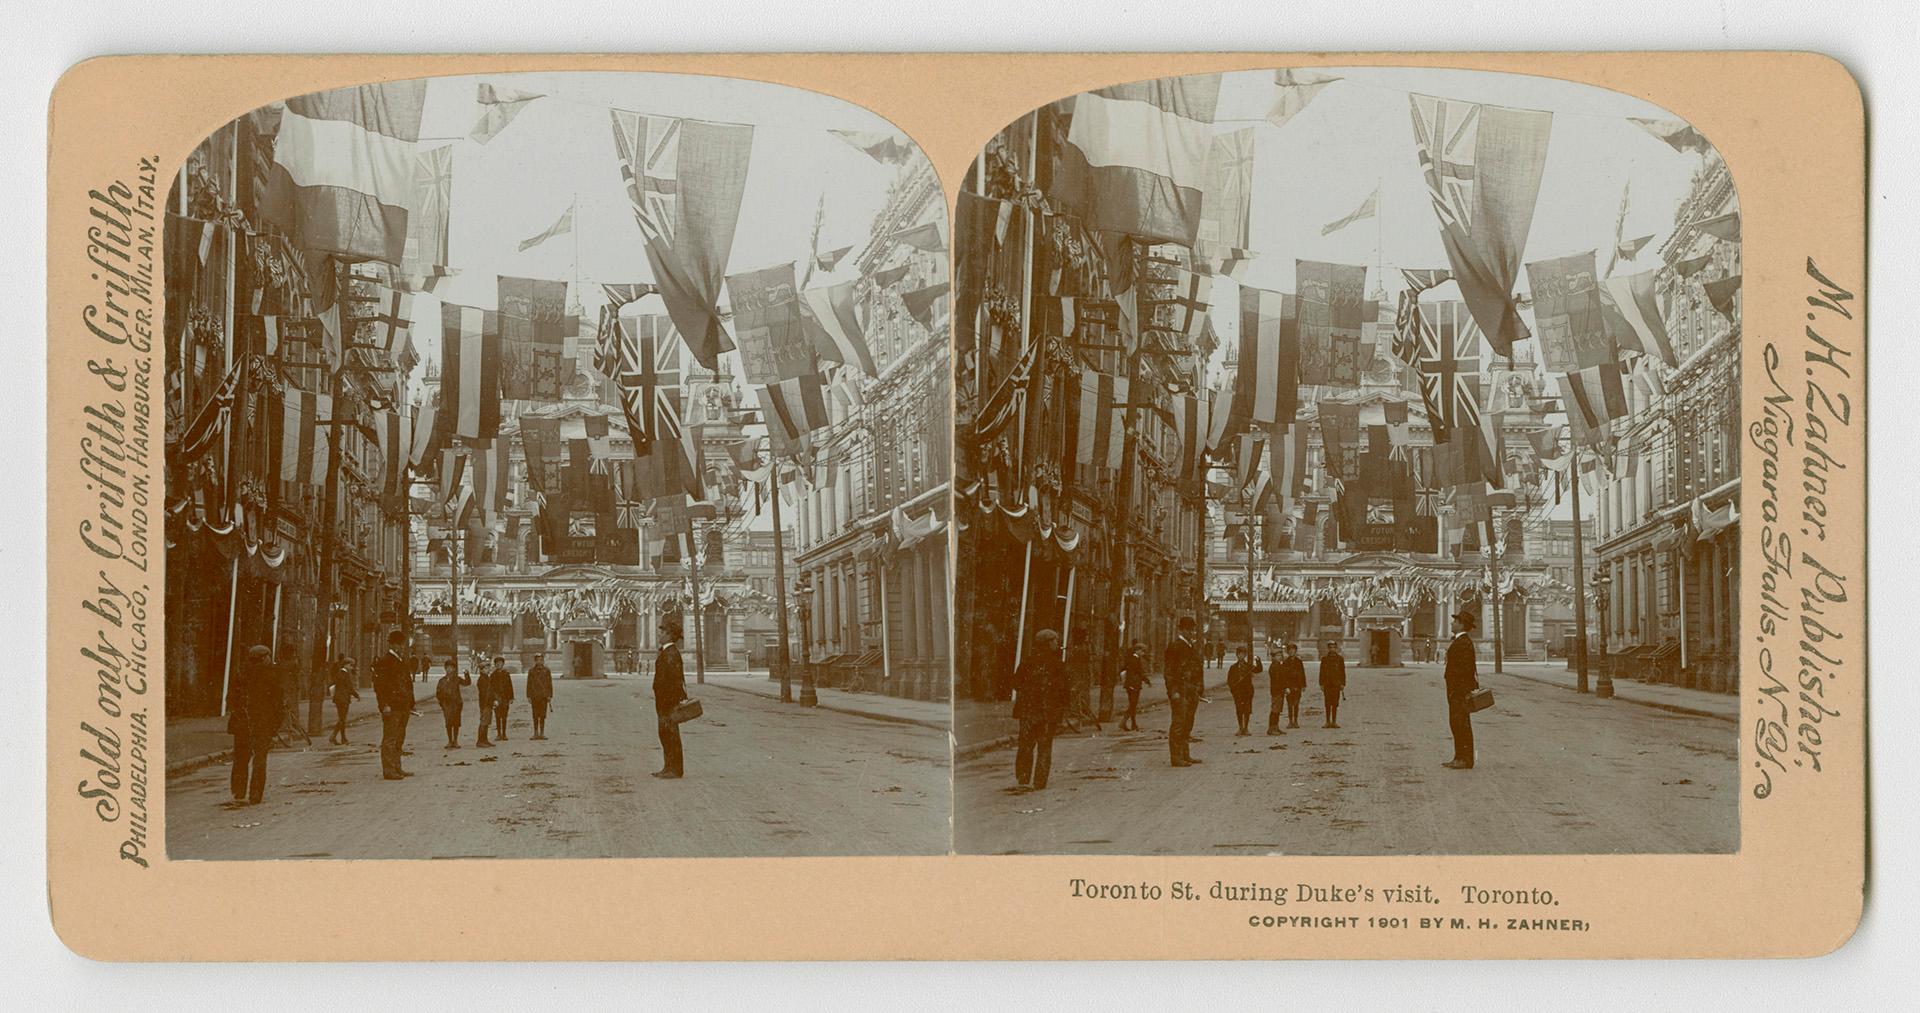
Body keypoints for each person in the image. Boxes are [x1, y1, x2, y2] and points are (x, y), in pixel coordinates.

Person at [225, 645, 284, 805]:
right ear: (264, 657)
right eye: (269, 656)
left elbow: (231, 699)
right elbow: (278, 702)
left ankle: (238, 791)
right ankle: (255, 794)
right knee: (260, 758)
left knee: (241, 757)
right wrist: (276, 725)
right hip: (262, 723)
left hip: (242, 723)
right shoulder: (271, 675)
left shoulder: (240, 674)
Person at [1011, 630, 1069, 790]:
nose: (1057, 644)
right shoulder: (1057, 664)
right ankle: (1040, 781)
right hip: (1047, 713)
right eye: (1055, 641)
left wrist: (1029, 693)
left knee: (1025, 744)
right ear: (1048, 643)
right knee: (1044, 747)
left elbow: (1016, 683)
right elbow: (1064, 689)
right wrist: (1062, 709)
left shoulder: (1027, 662)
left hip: (1028, 712)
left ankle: (1023, 778)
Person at [1164, 616, 1204, 767]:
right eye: (1189, 629)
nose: (1192, 632)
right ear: (1182, 629)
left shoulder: (1190, 646)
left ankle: (1185, 754)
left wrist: (1199, 689)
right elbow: (1169, 672)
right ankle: (1176, 757)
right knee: (1179, 723)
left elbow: (1197, 669)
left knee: (1188, 723)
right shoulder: (1175, 646)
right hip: (1180, 691)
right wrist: (1173, 691)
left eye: (1192, 629)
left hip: (1191, 691)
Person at [373, 630, 413, 780]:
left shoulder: (401, 661)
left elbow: (407, 684)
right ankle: (389, 770)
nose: (401, 647)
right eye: (399, 644)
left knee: (399, 738)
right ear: (392, 644)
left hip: (403, 705)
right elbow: (380, 687)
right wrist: (384, 705)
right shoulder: (385, 661)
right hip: (392, 707)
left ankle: (397, 767)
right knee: (390, 738)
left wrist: (411, 703)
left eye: (402, 644)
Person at [1443, 610, 1480, 769]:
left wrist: (1460, 691)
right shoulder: (1462, 641)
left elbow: (1465, 669)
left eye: (1454, 621)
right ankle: (1459, 757)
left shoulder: (1463, 642)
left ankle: (1464, 759)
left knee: (1460, 724)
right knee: (1457, 724)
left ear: (1461, 624)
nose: (1452, 623)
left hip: (1459, 691)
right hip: (1457, 690)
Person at [653, 619, 688, 778]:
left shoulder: (671, 653)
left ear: (669, 635)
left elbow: (675, 680)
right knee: (665, 734)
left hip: (668, 702)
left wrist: (670, 701)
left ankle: (674, 769)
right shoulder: (667, 652)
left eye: (661, 633)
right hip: (664, 701)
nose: (658, 635)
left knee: (670, 735)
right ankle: (668, 767)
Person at [1268, 642, 1305, 735]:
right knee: (1275, 710)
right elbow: (1278, 680)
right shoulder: (1275, 666)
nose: (1280, 657)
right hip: (1277, 691)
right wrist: (1285, 687)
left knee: (1278, 710)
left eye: (1280, 655)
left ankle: (1276, 727)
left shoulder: (1278, 665)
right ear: (1273, 657)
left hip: (1280, 691)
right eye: (1278, 655)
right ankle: (1272, 728)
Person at [1064, 630, 1096, 732]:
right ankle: (1079, 716)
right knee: (1078, 696)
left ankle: (1079, 716)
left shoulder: (1076, 649)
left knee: (1078, 696)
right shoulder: (1080, 649)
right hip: (1079, 675)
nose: (1087, 638)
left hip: (1078, 675)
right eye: (1085, 636)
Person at [435, 658, 469, 748]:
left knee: (456, 722)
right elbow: (438, 693)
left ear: (454, 669)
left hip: (457, 704)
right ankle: (450, 741)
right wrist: (442, 703)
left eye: (451, 668)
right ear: (445, 669)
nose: (449, 669)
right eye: (448, 667)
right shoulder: (442, 680)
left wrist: (467, 674)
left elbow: (467, 683)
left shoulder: (457, 679)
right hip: (446, 705)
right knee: (448, 723)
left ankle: (455, 740)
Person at [1226, 648, 1260, 736]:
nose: (1241, 656)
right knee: (1239, 710)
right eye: (1239, 654)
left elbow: (1258, 670)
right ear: (1237, 655)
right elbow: (1229, 680)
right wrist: (1233, 689)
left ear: (1245, 655)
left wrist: (1258, 661)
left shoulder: (1248, 666)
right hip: (1238, 692)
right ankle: (1240, 727)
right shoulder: (1233, 667)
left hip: (1247, 691)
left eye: (1243, 654)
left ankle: (1246, 728)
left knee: (1247, 709)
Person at [328, 658, 360, 745]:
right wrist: (356, 695)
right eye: (351, 665)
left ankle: (338, 737)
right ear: (345, 664)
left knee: (342, 719)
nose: (351, 668)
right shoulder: (344, 674)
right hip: (343, 699)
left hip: (340, 699)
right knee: (342, 719)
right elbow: (349, 687)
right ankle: (338, 737)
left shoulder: (340, 673)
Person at [1118, 642, 1149, 731]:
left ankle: (1133, 724)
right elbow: (1137, 672)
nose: (1143, 653)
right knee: (1133, 704)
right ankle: (1124, 722)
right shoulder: (1134, 659)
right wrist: (1146, 680)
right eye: (1143, 651)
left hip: (1132, 684)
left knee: (1133, 705)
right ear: (1138, 650)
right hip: (1133, 684)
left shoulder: (1132, 658)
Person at [1319, 641, 1347, 728]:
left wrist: (1343, 683)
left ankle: (1334, 721)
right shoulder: (1324, 659)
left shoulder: (1340, 659)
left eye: (1334, 647)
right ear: (1328, 649)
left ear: (1336, 648)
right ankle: (1327, 721)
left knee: (1335, 703)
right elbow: (1321, 672)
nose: (1332, 649)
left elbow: (1342, 672)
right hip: (1327, 684)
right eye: (1330, 647)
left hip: (1336, 684)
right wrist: (1321, 684)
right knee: (1327, 703)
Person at [527, 652, 554, 739]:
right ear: (535, 661)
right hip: (534, 696)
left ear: (543, 660)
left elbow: (549, 683)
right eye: (537, 660)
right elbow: (529, 684)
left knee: (542, 715)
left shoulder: (547, 670)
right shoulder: (531, 671)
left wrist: (550, 695)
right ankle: (535, 733)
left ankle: (542, 733)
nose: (539, 661)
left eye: (541, 660)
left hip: (543, 696)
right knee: (535, 715)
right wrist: (528, 696)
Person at [488, 655, 514, 741]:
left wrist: (511, 697)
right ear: (495, 665)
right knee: (498, 717)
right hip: (496, 699)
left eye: (500, 663)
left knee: (504, 716)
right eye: (497, 663)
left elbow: (510, 686)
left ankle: (504, 733)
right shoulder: (493, 675)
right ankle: (498, 734)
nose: (499, 665)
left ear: (503, 664)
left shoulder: (506, 674)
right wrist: (493, 699)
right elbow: (490, 688)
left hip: (505, 698)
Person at [472, 661, 493, 747]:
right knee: (484, 722)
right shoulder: (482, 679)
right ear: (481, 670)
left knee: (487, 722)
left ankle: (485, 740)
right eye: (486, 668)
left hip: (487, 703)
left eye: (488, 668)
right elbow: (485, 693)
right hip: (485, 703)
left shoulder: (486, 678)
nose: (488, 670)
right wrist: (491, 702)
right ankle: (480, 741)